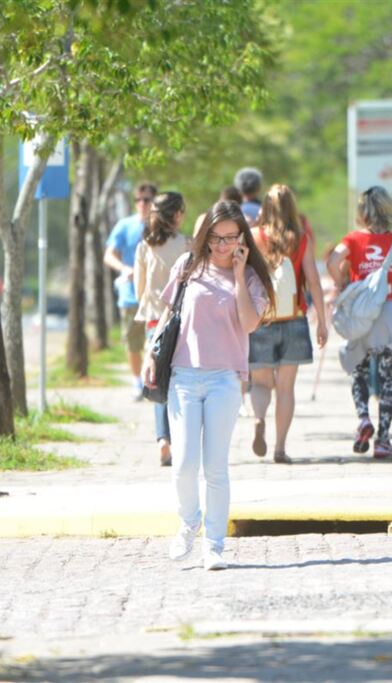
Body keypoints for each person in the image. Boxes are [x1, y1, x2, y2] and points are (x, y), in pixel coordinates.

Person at [143, 200, 272, 570]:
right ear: (205, 235)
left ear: (243, 238)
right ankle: (189, 522)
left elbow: (249, 323)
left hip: (225, 379)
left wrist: (240, 274)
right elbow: (169, 312)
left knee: (215, 467)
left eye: (231, 238)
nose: (222, 245)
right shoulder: (189, 265)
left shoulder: (251, 277)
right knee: (184, 463)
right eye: (216, 238)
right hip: (183, 375)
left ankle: (214, 545)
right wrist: (152, 353)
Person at [327, 186, 392, 459]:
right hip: (391, 314)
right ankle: (383, 440)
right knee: (388, 377)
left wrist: (341, 284)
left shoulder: (352, 240)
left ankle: (363, 418)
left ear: (362, 212)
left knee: (359, 372)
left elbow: (333, 261)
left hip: (362, 316)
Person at [248, 184, 328, 464]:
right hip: (294, 318)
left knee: (260, 383)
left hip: (261, 319)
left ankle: (259, 419)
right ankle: (280, 448)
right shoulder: (301, 239)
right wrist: (322, 321)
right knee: (285, 388)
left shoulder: (254, 237)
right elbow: (313, 280)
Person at [134, 191, 190, 467]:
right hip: (180, 320)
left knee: (156, 378)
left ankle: (162, 439)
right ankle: (178, 437)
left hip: (154, 321)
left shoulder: (144, 246)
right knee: (178, 379)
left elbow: (138, 288)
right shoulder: (185, 244)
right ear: (177, 215)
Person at [105, 182, 156, 400]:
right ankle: (137, 382)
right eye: (138, 200)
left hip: (155, 296)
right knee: (133, 343)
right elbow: (109, 255)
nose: (142, 204)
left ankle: (152, 381)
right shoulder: (124, 225)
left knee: (154, 341)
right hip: (130, 295)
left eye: (147, 199)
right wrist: (124, 269)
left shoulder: (161, 227)